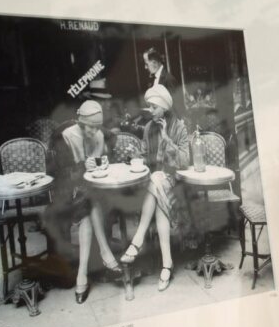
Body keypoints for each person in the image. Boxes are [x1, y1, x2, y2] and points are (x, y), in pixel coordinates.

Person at [45, 100, 121, 303]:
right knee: (91, 201)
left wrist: (105, 160)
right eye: (90, 127)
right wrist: (81, 167)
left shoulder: (98, 133)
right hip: (67, 196)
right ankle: (105, 253)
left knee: (90, 205)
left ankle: (82, 275)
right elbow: (56, 175)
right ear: (80, 122)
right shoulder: (64, 137)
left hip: (89, 196)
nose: (94, 132)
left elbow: (109, 145)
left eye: (97, 127)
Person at [120, 84, 189, 291]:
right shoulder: (149, 127)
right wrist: (134, 155)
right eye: (149, 106)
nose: (150, 110)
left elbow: (185, 161)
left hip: (175, 181)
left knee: (157, 179)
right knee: (157, 183)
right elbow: (144, 155)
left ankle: (137, 240)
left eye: (153, 107)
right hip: (156, 184)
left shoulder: (179, 127)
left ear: (164, 107)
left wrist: (167, 138)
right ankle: (167, 264)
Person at [143, 47, 184, 117]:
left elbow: (178, 107)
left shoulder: (169, 79)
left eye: (146, 64)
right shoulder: (153, 79)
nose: (145, 67)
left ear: (154, 63)